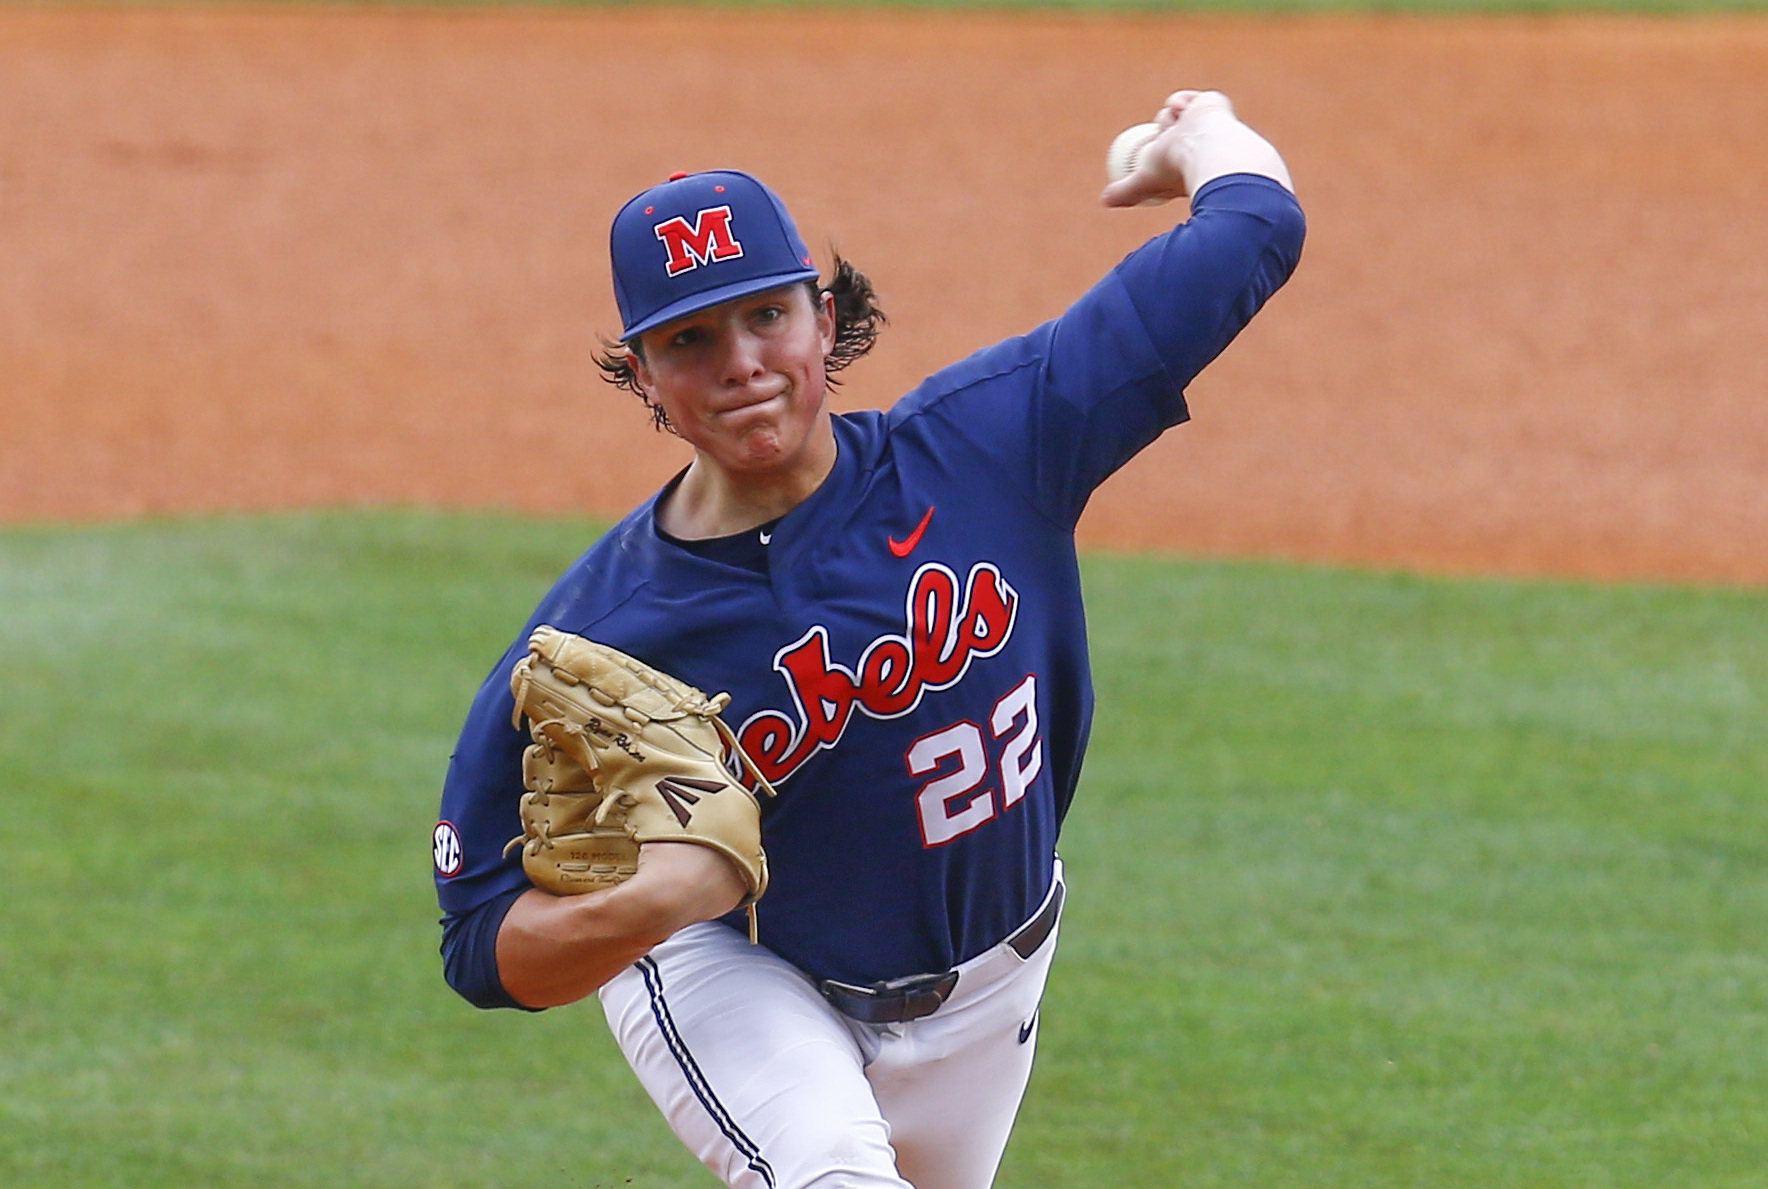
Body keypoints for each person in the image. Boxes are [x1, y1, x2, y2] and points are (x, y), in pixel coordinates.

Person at [433, 89, 1304, 1189]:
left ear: (826, 316)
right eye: (690, 340)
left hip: (995, 987)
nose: (741, 361)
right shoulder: (607, 634)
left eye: (766, 316)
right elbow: (476, 943)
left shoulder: (994, 444)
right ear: (642, 375)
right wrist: (651, 901)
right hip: (746, 976)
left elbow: (1253, 229)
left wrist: (1198, 131)